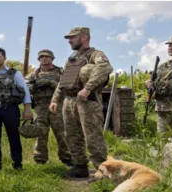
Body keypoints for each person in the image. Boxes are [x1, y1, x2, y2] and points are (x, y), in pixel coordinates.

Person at [49, 27, 113, 178]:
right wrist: (55, 99)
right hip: (69, 101)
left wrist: (88, 88)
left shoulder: (96, 55)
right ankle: (80, 166)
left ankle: (102, 170)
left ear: (84, 37)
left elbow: (106, 68)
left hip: (87, 101)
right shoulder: (72, 58)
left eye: (72, 37)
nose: (69, 41)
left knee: (92, 136)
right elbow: (64, 80)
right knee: (72, 135)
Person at [25, 49, 73, 167]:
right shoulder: (33, 75)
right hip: (40, 106)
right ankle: (40, 160)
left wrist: (50, 83)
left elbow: (68, 87)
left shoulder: (61, 72)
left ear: (52, 58)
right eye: (41, 57)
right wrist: (34, 87)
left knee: (61, 133)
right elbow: (24, 89)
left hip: (57, 105)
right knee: (41, 133)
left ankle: (67, 159)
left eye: (47, 56)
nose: (44, 59)